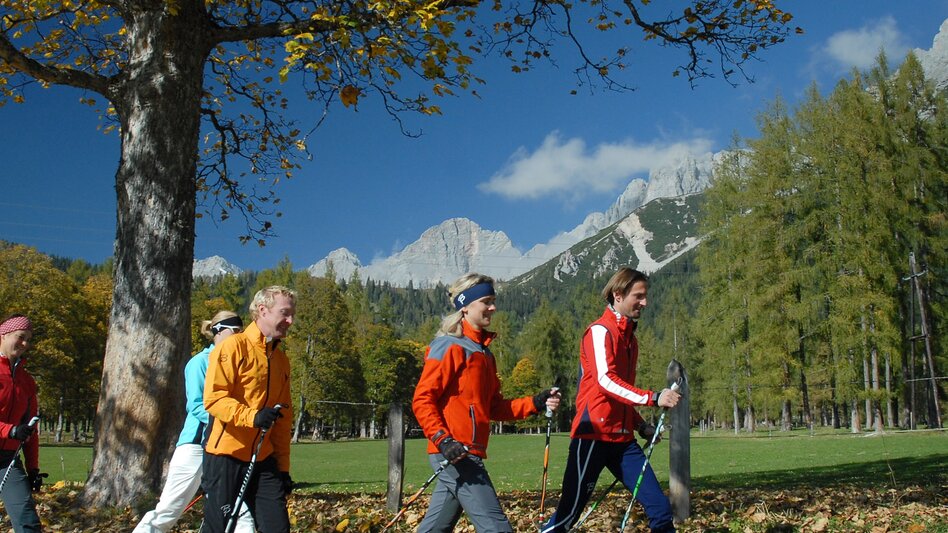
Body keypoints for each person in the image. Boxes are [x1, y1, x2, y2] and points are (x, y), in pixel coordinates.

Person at [412, 273, 561, 533]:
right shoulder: (448, 346)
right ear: (465, 306)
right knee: (497, 528)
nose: (493, 307)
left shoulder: (484, 354)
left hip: (465, 453)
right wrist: (443, 440)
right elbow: (423, 399)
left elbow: (494, 408)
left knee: (435, 527)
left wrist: (536, 402)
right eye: (486, 301)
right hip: (455, 454)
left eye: (493, 300)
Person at [540, 267, 681, 533]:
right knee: (565, 519)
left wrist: (640, 425)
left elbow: (620, 394)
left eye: (645, 296)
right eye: (638, 296)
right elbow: (606, 382)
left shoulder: (631, 340)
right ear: (618, 295)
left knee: (661, 510)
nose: (645, 302)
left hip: (623, 442)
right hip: (592, 437)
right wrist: (654, 398)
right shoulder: (599, 332)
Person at [133, 311, 254, 533]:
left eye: (242, 331)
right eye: (236, 331)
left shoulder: (238, 364)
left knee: (240, 512)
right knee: (169, 510)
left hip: (225, 448)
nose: (241, 336)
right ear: (219, 331)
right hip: (196, 446)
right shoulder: (200, 362)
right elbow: (197, 405)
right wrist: (232, 420)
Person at [202, 287, 296, 533]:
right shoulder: (232, 348)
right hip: (225, 456)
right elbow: (214, 399)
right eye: (285, 313)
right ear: (262, 310)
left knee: (278, 528)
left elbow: (283, 420)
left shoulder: (281, 360)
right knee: (218, 528)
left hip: (262, 458)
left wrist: (283, 469)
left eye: (292, 315)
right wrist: (252, 416)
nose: (290, 321)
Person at [0, 314, 44, 533]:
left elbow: (30, 429)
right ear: (4, 334)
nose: (25, 343)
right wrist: (10, 430)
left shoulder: (27, 381)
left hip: (7, 462)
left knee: (28, 522)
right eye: (20, 337)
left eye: (28, 339)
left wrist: (33, 468)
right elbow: (16, 430)